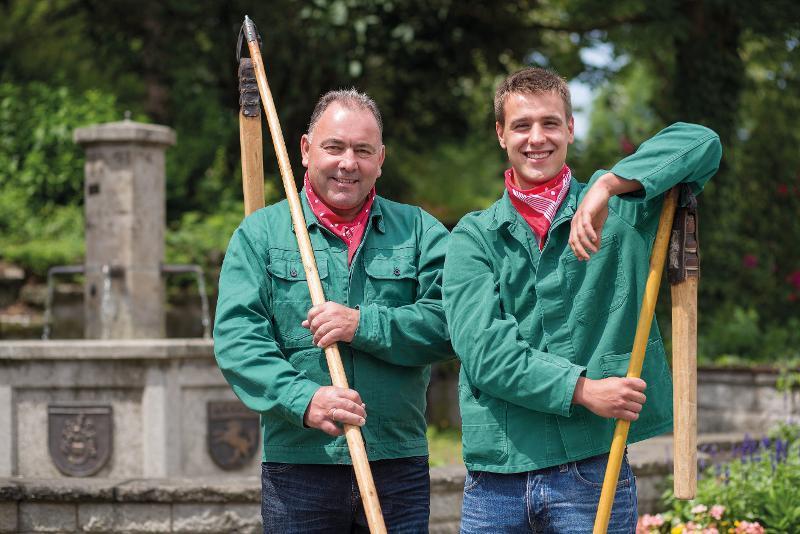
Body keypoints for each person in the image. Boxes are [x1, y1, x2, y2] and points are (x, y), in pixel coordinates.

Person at [442, 67, 722, 532]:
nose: (537, 138)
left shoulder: (625, 209)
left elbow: (702, 141)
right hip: (496, 479)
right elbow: (484, 355)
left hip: (594, 469)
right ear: (500, 134)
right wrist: (584, 390)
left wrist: (608, 184)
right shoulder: (473, 237)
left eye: (550, 123)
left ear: (571, 128)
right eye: (521, 125)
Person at [214, 89, 452, 533]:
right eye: (334, 147)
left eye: (363, 151)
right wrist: (304, 399)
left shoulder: (420, 232)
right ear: (305, 150)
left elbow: (453, 324)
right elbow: (238, 342)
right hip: (299, 467)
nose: (348, 162)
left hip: (395, 465)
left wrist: (364, 324)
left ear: (381, 159)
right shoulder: (260, 235)